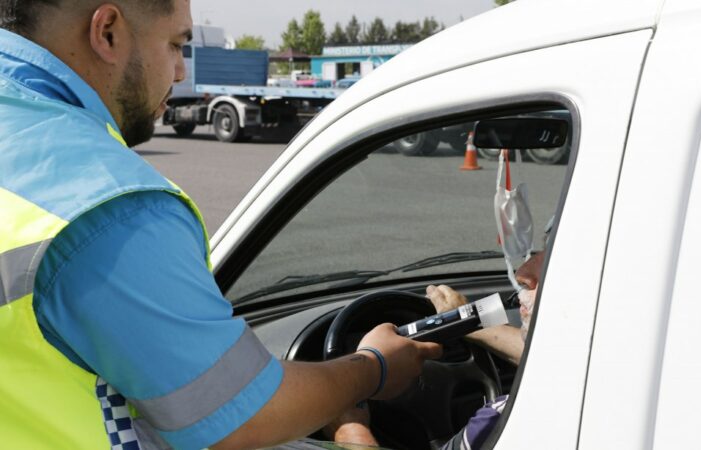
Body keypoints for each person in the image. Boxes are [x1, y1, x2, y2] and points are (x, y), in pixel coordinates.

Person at [0, 1, 442, 449]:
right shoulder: (108, 207)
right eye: (175, 45)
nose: (177, 72)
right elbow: (239, 417)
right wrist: (374, 368)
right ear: (108, 32)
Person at [328, 250, 546, 449]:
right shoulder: (572, 378)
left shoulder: (505, 421)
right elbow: (555, 356)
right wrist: (464, 317)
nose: (522, 272)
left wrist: (349, 429)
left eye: (556, 251)